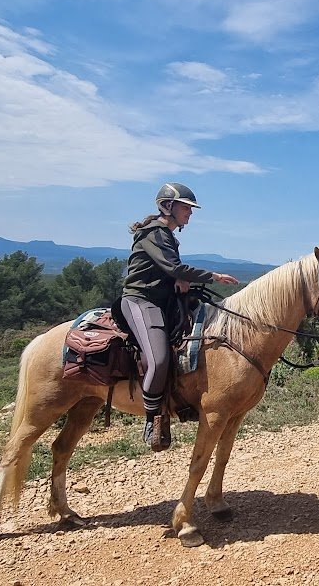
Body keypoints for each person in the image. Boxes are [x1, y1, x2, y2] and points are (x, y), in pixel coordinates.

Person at [119, 182, 239, 451]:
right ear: (168, 206)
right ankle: (153, 418)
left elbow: (168, 270)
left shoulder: (168, 235)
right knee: (159, 359)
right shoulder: (155, 232)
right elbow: (172, 266)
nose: (190, 213)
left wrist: (179, 280)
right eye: (186, 207)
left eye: (190, 208)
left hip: (163, 301)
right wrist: (213, 276)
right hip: (141, 300)